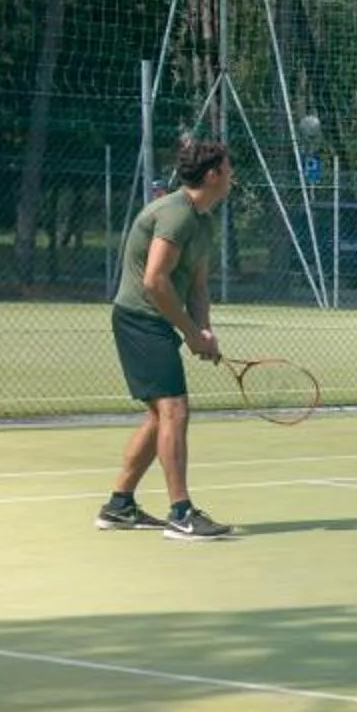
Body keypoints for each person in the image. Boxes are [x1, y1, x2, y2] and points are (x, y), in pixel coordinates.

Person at [98, 135, 237, 538]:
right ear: (212, 174)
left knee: (160, 416)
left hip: (157, 321)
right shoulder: (175, 214)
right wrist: (191, 333)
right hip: (139, 319)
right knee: (175, 410)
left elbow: (196, 287)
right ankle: (181, 514)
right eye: (228, 169)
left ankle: (119, 505)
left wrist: (204, 331)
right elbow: (156, 281)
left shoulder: (204, 220)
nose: (232, 175)